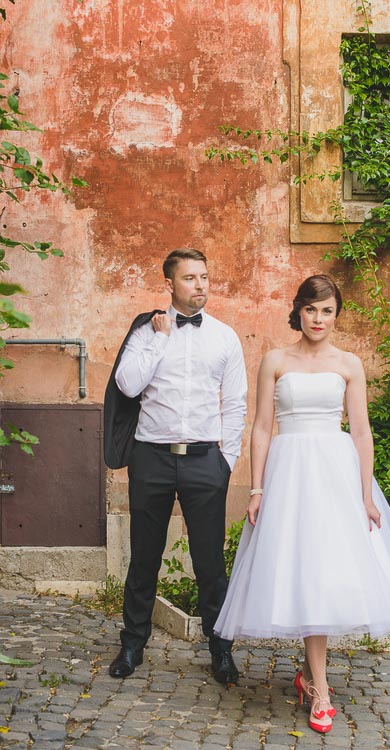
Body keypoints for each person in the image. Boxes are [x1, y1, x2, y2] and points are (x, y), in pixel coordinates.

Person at [214, 274, 390, 733]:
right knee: (303, 570)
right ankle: (319, 687)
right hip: (290, 477)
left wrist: (366, 494)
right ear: (299, 311)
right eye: (311, 309)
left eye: (327, 310)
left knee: (326, 573)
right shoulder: (275, 360)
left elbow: (361, 431)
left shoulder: (349, 364)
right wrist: (257, 489)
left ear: (337, 314)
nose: (319, 318)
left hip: (334, 475)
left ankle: (313, 678)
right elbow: (262, 428)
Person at [104, 248, 247, 684]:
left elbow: (236, 403)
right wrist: (161, 337)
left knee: (210, 562)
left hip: (206, 460)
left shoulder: (224, 336)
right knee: (144, 556)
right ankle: (133, 644)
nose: (200, 285)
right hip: (152, 459)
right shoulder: (147, 332)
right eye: (189, 278)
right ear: (170, 284)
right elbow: (127, 385)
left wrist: (227, 461)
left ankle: (220, 649)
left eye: (204, 276)